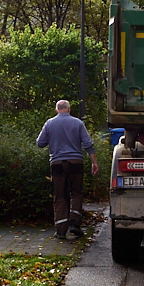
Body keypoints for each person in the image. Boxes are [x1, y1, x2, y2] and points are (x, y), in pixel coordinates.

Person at [36, 100, 98, 239]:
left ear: (56, 110)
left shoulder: (49, 123)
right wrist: (94, 162)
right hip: (76, 162)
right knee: (76, 193)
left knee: (59, 196)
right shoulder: (78, 123)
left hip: (57, 163)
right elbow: (88, 143)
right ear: (69, 109)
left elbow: (40, 143)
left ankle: (60, 230)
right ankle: (74, 224)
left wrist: (53, 139)